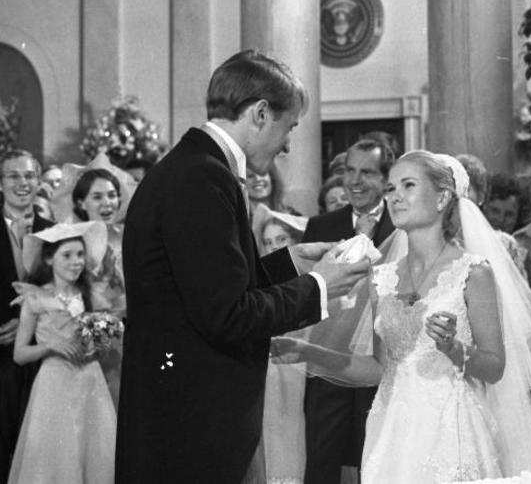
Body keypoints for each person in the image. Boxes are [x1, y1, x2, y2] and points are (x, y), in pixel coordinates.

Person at [115, 50, 370, 483]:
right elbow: (227, 313)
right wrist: (317, 286)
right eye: (289, 127)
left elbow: (205, 286)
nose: (289, 144)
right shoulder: (203, 177)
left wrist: (289, 264)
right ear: (260, 113)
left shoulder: (192, 168)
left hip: (181, 403)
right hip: (192, 418)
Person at [273, 151, 531, 483]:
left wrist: (455, 350)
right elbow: (378, 368)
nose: (395, 195)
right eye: (391, 187)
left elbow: (495, 367)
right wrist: (307, 352)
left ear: (442, 197)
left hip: (452, 428)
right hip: (392, 431)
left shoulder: (473, 272)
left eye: (408, 185)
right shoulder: (381, 277)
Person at [302, 138, 396, 484]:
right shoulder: (321, 227)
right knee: (323, 458)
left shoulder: (402, 225)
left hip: (383, 360)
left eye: (367, 172)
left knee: (376, 457)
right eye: (349, 171)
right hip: (330, 360)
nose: (355, 181)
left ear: (386, 179)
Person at [9, 222, 116, 483]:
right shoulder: (36, 299)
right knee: (56, 455)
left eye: (80, 255)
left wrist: (99, 341)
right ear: (49, 259)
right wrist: (50, 347)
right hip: (54, 384)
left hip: (91, 383)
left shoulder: (90, 296)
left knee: (93, 453)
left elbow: (103, 344)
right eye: (67, 255)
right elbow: (19, 354)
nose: (76, 262)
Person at [0, 149, 54, 482]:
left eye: (30, 175)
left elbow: (68, 290)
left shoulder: (55, 232)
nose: (23, 183)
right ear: (0, 183)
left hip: (40, 355)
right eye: (14, 176)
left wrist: (28, 322)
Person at [252, 206, 309, 484]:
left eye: (281, 240)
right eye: (267, 242)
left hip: (304, 372)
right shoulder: (259, 289)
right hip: (271, 373)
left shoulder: (311, 285)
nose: (274, 247)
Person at [71, 167, 131, 405]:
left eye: (112, 195)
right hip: (92, 340)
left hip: (133, 336)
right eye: (97, 197)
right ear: (81, 203)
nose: (107, 203)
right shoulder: (72, 241)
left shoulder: (130, 235)